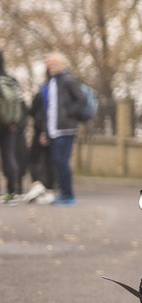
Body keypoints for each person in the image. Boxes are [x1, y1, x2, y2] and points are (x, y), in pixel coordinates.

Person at [32, 52, 87, 206]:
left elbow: (81, 100)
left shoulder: (68, 80)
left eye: (54, 63)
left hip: (66, 129)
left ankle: (68, 194)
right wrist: (45, 131)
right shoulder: (50, 83)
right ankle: (63, 192)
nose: (51, 65)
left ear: (62, 65)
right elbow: (47, 110)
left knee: (62, 161)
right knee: (57, 161)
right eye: (49, 63)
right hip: (53, 130)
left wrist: (68, 113)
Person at [0, 51, 25, 202]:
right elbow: (20, 104)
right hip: (9, 124)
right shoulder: (11, 80)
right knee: (9, 156)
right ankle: (12, 192)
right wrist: (15, 122)